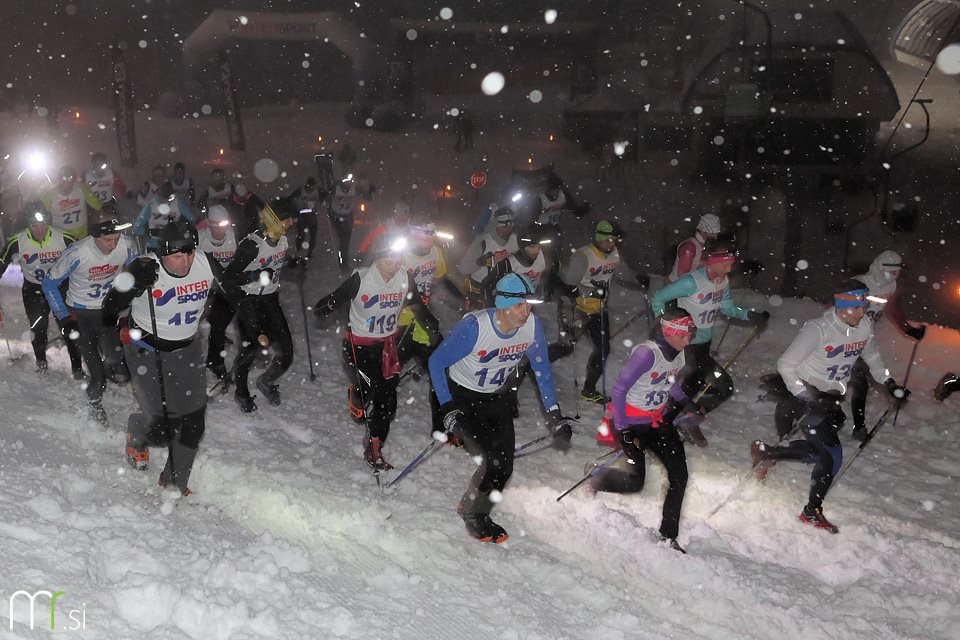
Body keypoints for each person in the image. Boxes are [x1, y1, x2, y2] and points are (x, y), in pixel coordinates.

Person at [751, 280, 910, 534]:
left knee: (820, 451)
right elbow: (786, 364)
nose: (862, 313)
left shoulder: (864, 326)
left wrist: (889, 382)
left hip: (831, 398)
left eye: (864, 307)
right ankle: (811, 511)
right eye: (857, 307)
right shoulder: (819, 329)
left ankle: (768, 453)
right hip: (805, 395)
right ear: (842, 306)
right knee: (831, 454)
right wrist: (805, 396)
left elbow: (872, 357)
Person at [428, 273, 574, 543]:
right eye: (519, 305)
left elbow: (541, 369)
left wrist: (554, 414)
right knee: (491, 461)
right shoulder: (475, 327)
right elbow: (436, 362)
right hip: (462, 394)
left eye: (529, 305)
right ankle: (475, 515)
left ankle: (472, 506)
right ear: (503, 304)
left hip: (495, 397)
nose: (525, 312)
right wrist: (448, 407)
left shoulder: (531, 327)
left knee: (504, 466)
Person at [103, 220, 215, 496]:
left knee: (194, 424)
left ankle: (175, 482)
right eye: (176, 256)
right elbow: (108, 310)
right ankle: (138, 429)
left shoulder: (205, 262)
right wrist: (132, 286)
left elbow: (235, 293)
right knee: (164, 428)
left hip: (188, 351)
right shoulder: (144, 268)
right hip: (147, 353)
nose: (185, 262)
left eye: (189, 253)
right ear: (162, 253)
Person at [314, 235, 439, 469]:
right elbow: (326, 304)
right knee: (369, 388)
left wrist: (434, 330)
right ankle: (357, 393)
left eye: (398, 261)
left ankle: (374, 446)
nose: (394, 267)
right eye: (388, 262)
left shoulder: (404, 278)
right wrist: (327, 307)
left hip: (386, 346)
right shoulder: (361, 279)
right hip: (358, 347)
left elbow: (419, 308)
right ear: (377, 259)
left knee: (388, 400)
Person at [590, 308, 700, 553]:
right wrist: (623, 430)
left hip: (656, 421)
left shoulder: (678, 354)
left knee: (680, 476)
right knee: (634, 483)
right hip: (630, 422)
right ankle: (597, 477)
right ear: (668, 332)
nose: (688, 341)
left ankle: (668, 536)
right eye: (683, 335)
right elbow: (619, 390)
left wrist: (686, 402)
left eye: (690, 335)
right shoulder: (646, 354)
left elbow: (668, 382)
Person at [651, 239, 768, 443]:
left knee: (722, 387)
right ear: (712, 261)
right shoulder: (691, 282)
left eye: (731, 264)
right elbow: (658, 298)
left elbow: (728, 308)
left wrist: (751, 315)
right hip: (686, 346)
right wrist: (665, 328)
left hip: (703, 347)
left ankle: (687, 420)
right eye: (725, 264)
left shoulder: (722, 281)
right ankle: (664, 428)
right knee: (693, 387)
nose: (729, 269)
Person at [42, 212, 138, 424]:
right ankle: (95, 405)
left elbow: (136, 272)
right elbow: (49, 284)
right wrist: (64, 318)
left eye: (116, 239)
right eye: (107, 240)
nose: (113, 245)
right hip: (81, 314)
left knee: (117, 364)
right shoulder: (77, 252)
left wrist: (130, 291)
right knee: (97, 375)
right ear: (95, 236)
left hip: (107, 312)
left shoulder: (128, 245)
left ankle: (109, 364)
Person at [220, 202, 295, 412]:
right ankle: (241, 392)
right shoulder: (251, 245)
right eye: (286, 218)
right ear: (273, 220)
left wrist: (294, 263)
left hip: (270, 300)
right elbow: (228, 278)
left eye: (291, 218)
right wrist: (255, 275)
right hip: (248, 301)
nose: (291, 223)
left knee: (287, 351)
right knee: (250, 349)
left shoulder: (282, 241)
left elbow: (276, 261)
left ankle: (266, 381)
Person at [848, 251, 926, 439]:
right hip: (844, 338)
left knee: (860, 382)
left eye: (898, 272)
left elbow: (892, 309)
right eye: (892, 272)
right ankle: (823, 412)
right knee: (840, 380)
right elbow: (834, 309)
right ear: (880, 268)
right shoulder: (859, 283)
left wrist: (908, 330)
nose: (895, 276)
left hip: (864, 340)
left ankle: (858, 427)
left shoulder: (891, 287)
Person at [0, 201, 83, 376]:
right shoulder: (18, 241)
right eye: (34, 226)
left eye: (44, 225)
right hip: (34, 289)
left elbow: (85, 258)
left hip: (60, 288)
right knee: (38, 326)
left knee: (69, 327)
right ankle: (41, 362)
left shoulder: (63, 237)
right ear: (28, 225)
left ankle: (77, 368)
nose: (40, 230)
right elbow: (1, 263)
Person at [558, 219, 623, 404]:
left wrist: (638, 279)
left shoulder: (614, 253)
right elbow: (569, 286)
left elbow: (621, 273)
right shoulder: (583, 256)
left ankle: (589, 390)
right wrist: (591, 291)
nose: (612, 243)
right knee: (565, 348)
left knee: (603, 349)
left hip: (598, 310)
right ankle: (534, 365)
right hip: (576, 309)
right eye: (608, 239)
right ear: (599, 237)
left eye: (614, 240)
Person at [197, 205, 238, 384]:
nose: (221, 229)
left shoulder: (235, 236)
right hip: (204, 286)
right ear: (209, 224)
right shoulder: (200, 238)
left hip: (225, 286)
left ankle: (215, 360)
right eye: (217, 225)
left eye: (224, 224)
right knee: (198, 321)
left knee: (221, 320)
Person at [457, 207, 519, 310]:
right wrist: (479, 262)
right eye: (504, 226)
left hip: (502, 288)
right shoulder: (483, 241)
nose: (508, 229)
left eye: (511, 225)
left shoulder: (515, 240)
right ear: (496, 224)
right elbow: (462, 269)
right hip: (479, 289)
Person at [41, 164, 103, 239]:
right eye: (64, 178)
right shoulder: (49, 195)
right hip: (61, 236)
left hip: (81, 235)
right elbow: (41, 216)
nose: (67, 182)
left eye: (70, 178)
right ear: (59, 179)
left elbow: (98, 207)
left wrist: (97, 225)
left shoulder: (82, 189)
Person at [132, 181, 198, 251]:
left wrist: (187, 231)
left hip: (174, 244)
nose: (166, 202)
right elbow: (136, 228)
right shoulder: (151, 205)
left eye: (169, 198)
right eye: (163, 197)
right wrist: (150, 232)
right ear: (159, 194)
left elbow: (194, 220)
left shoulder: (178, 204)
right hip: (155, 245)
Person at [666, 214, 721, 284]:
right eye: (712, 233)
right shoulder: (689, 247)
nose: (715, 237)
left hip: (691, 286)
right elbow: (683, 277)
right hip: (675, 287)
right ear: (703, 230)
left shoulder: (707, 246)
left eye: (716, 233)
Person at [327, 174, 360, 274]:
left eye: (350, 182)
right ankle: (343, 263)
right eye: (346, 182)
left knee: (346, 240)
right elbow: (326, 196)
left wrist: (370, 191)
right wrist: (326, 198)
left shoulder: (354, 188)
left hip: (348, 217)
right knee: (344, 241)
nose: (348, 185)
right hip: (336, 217)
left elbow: (365, 195)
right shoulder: (336, 189)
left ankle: (344, 259)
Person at [288, 177, 321, 262]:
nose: (310, 189)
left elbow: (324, 196)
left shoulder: (317, 190)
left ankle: (310, 252)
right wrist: (294, 210)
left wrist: (326, 199)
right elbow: (290, 199)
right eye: (309, 187)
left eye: (312, 187)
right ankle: (299, 249)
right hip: (302, 215)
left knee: (313, 235)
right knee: (301, 234)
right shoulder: (300, 191)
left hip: (312, 215)